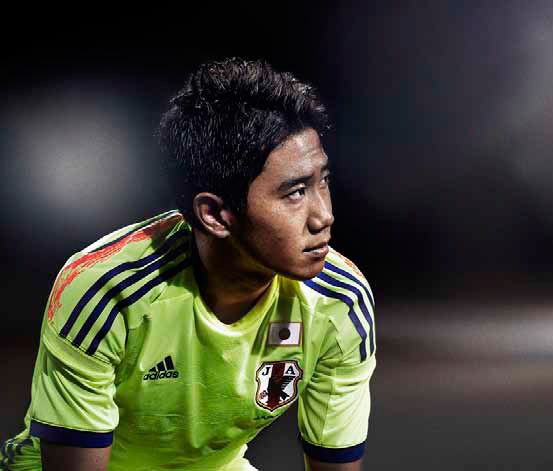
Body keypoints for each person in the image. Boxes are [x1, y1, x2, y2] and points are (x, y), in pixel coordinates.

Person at [1, 57, 376, 471]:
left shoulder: (340, 301)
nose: (324, 215)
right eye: (295, 192)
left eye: (323, 181)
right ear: (214, 215)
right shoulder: (104, 294)